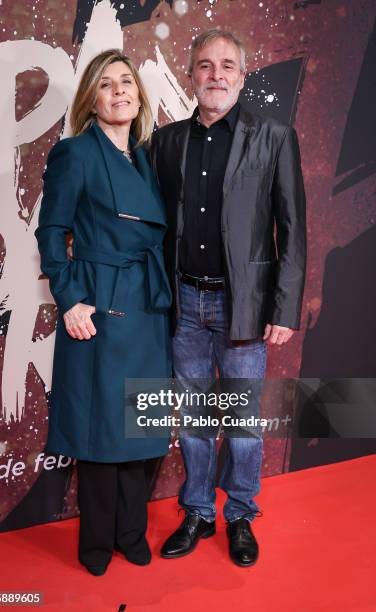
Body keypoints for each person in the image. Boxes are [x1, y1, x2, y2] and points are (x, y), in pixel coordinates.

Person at [151, 29, 307, 566]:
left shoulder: (275, 137)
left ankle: (240, 514)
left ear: (242, 75)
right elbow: (152, 225)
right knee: (193, 418)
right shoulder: (167, 142)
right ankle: (197, 510)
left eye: (226, 66)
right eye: (204, 65)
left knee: (240, 422)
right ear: (191, 74)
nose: (215, 75)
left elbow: (293, 228)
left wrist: (284, 308)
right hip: (185, 306)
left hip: (245, 307)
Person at [34, 49, 172, 576]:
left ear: (138, 94)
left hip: (147, 301)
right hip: (98, 300)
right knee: (99, 429)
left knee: (140, 425)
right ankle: (95, 544)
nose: (120, 92)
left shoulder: (145, 155)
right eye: (107, 84)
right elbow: (51, 232)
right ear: (91, 97)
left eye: (127, 83)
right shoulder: (75, 153)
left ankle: (131, 533)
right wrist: (69, 299)